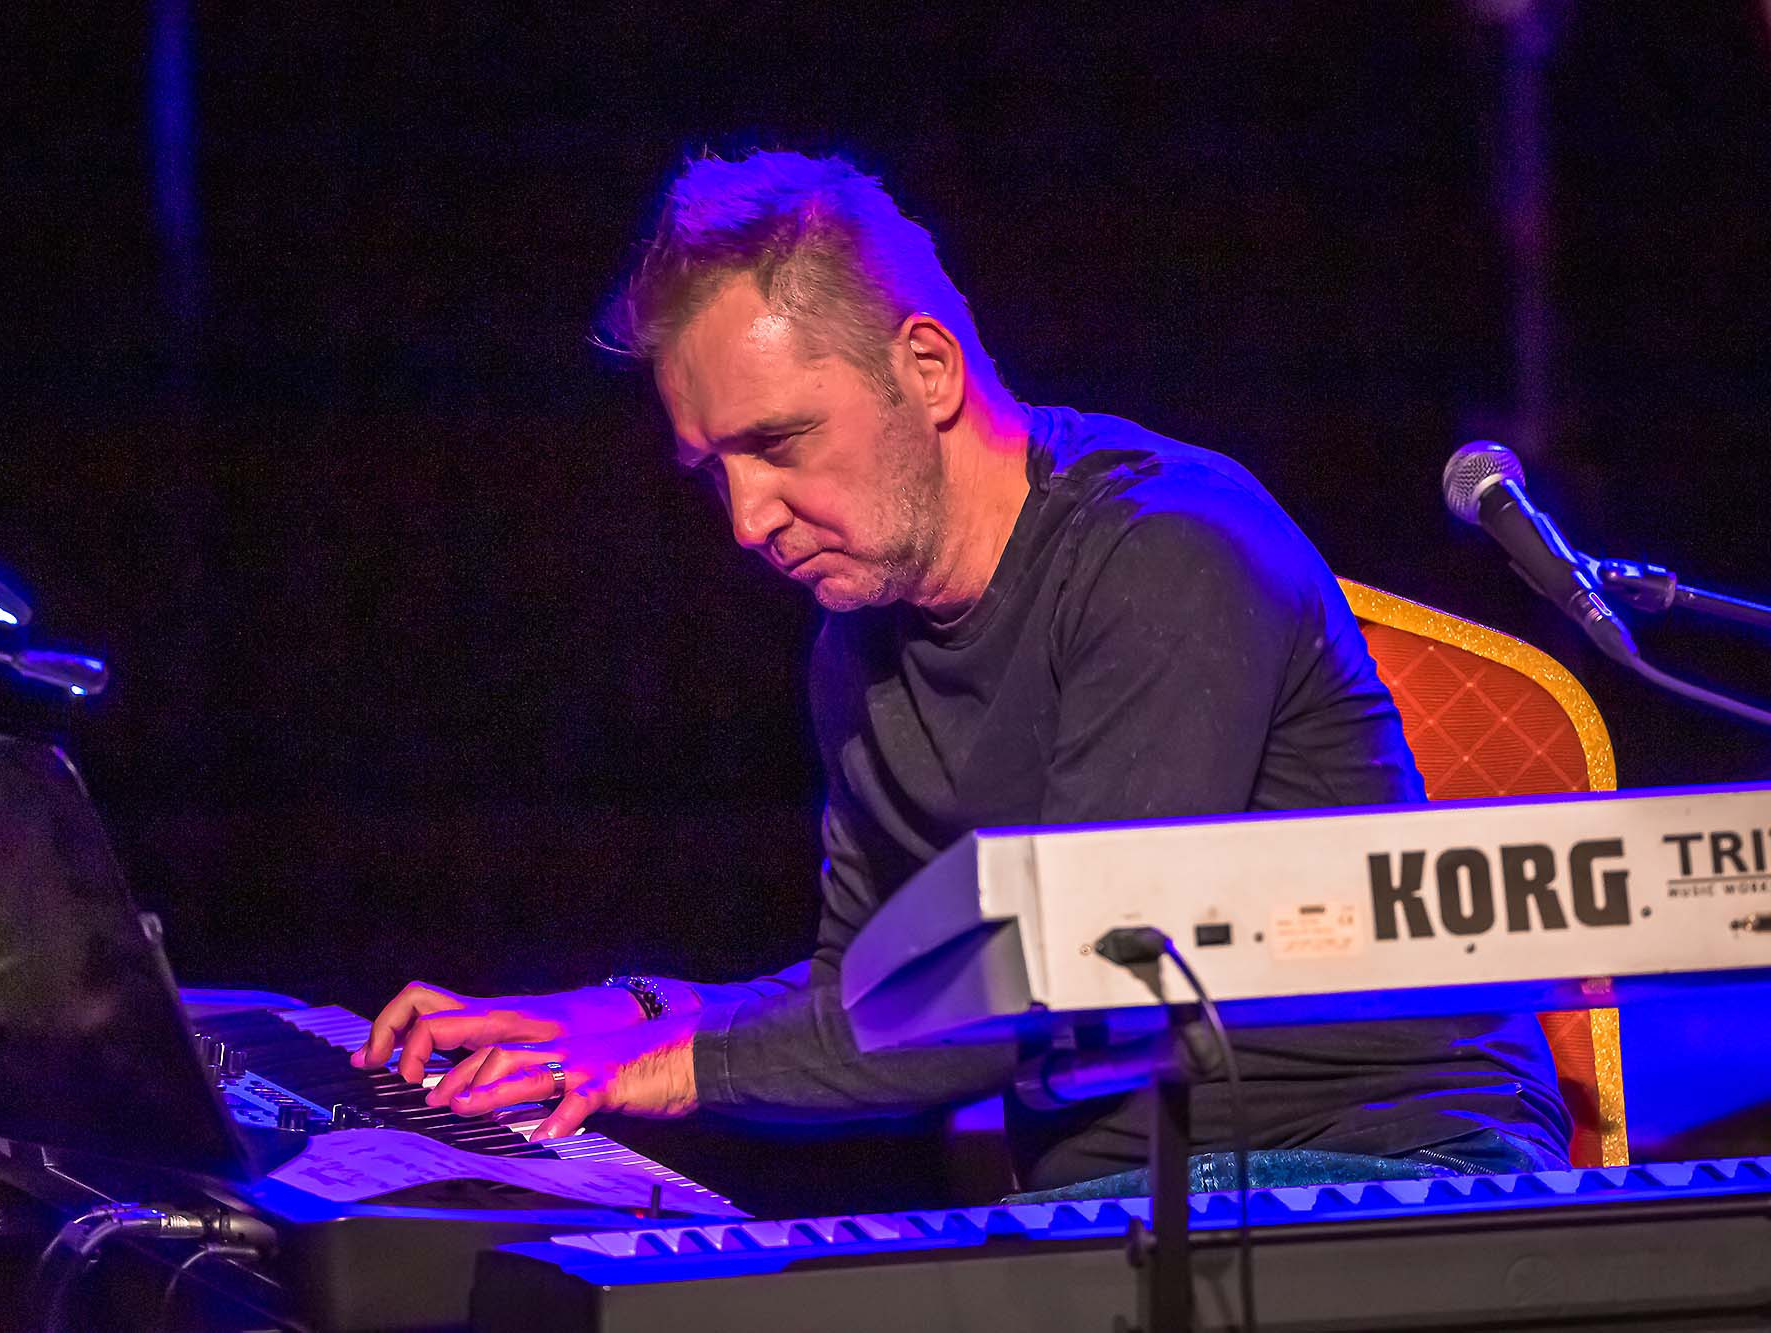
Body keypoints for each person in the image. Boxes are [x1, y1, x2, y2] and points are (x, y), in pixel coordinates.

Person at [354, 150, 1572, 1196]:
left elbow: (1078, 969)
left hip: (1382, 1164)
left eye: (777, 444)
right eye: (712, 469)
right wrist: (634, 1011)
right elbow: (868, 995)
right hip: (1122, 1204)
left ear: (926, 368)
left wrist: (675, 1061)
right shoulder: (853, 645)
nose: (745, 519)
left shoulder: (1165, 550)